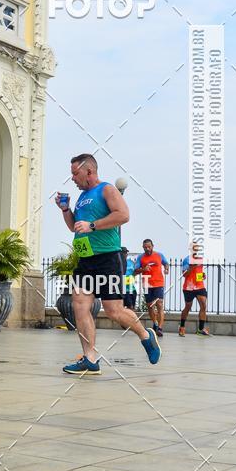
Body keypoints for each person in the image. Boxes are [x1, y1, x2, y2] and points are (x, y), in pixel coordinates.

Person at [55, 154, 161, 375]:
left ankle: (145, 335)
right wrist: (66, 210)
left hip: (107, 259)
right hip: (86, 260)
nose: (72, 178)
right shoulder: (82, 197)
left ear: (89, 171)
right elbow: (75, 227)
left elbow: (123, 215)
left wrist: (92, 225)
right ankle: (90, 359)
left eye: (75, 173)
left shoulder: (107, 190)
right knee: (80, 306)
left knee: (114, 311)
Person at [134, 240, 169, 337]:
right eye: (145, 247)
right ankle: (155, 324)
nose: (147, 249)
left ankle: (160, 328)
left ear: (153, 246)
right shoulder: (140, 257)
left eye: (149, 247)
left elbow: (166, 263)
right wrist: (143, 269)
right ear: (143, 247)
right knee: (150, 306)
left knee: (159, 304)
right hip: (146, 283)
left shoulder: (159, 255)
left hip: (158, 283)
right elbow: (135, 271)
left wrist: (166, 268)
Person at [180, 243, 210, 336]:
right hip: (188, 287)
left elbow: (199, 273)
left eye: (197, 247)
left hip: (200, 286)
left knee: (203, 305)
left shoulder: (200, 259)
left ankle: (200, 329)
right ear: (190, 249)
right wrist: (192, 266)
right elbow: (184, 274)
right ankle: (182, 327)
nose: (196, 249)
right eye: (194, 247)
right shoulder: (186, 260)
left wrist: (202, 275)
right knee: (188, 307)